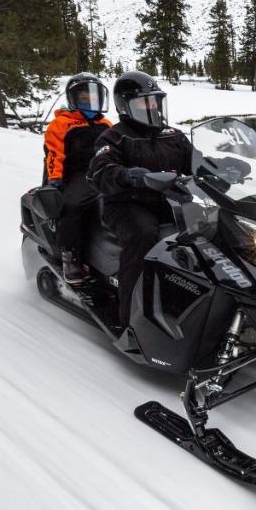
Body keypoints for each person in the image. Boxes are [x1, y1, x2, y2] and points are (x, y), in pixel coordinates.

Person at [88, 71, 194, 326]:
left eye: (154, 101)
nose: (151, 107)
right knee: (143, 235)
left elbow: (197, 161)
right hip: (127, 203)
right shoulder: (115, 136)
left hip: (170, 201)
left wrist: (227, 166)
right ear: (125, 107)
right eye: (143, 103)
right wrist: (127, 175)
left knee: (208, 232)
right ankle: (132, 316)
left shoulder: (174, 135)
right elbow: (99, 170)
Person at [43, 73, 113, 282]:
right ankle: (70, 256)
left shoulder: (106, 124)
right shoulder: (62, 124)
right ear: (73, 99)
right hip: (77, 174)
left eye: (93, 97)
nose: (89, 101)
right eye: (84, 98)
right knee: (73, 205)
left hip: (106, 171)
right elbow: (54, 154)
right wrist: (55, 179)